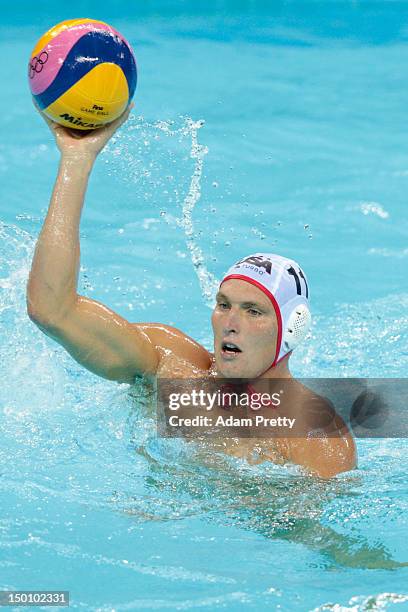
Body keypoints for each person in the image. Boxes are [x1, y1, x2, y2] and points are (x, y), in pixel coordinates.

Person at [26, 106, 356, 479]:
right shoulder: (172, 365)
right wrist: (77, 158)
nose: (230, 323)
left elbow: (321, 535)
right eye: (223, 305)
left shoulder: (315, 438)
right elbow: (52, 311)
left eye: (253, 311)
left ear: (292, 328)